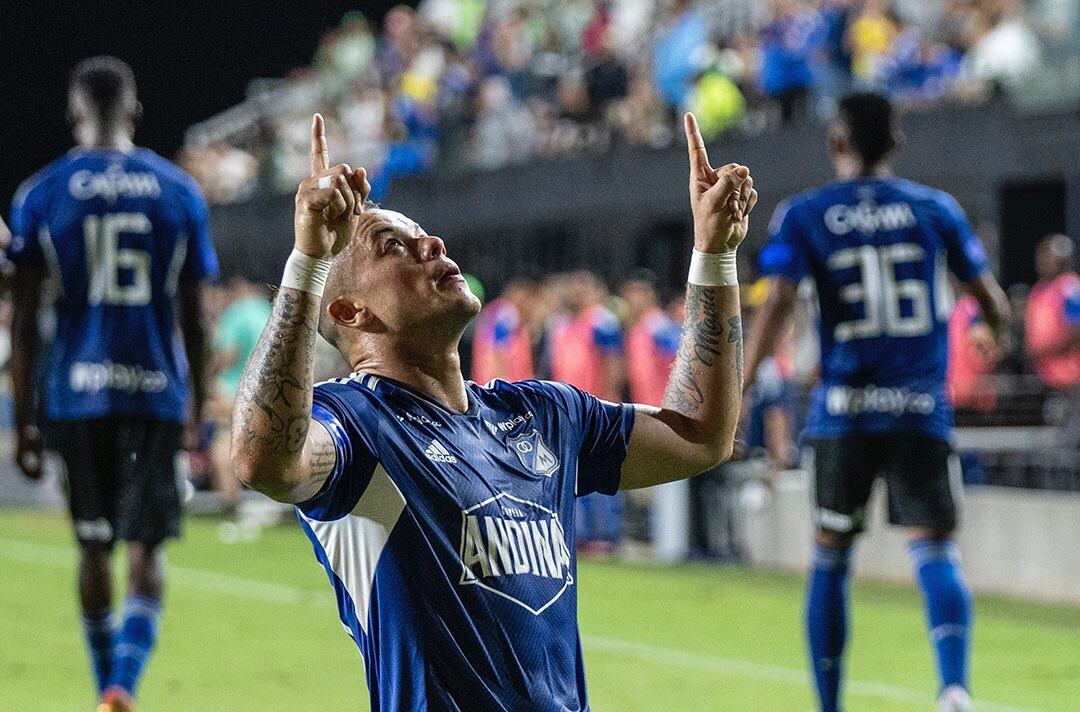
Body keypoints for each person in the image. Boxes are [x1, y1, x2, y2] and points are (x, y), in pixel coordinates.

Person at [230, 112, 755, 711]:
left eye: (423, 234)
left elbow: (699, 435)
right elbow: (261, 459)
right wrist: (308, 262)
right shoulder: (357, 426)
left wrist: (714, 255)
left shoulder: (542, 413)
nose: (431, 245)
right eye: (392, 247)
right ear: (351, 313)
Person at [742, 92, 1009, 712]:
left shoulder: (805, 214)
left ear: (836, 142)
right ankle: (954, 688)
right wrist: (994, 333)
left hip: (843, 411)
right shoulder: (934, 209)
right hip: (920, 407)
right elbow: (990, 299)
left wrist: (745, 383)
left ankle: (830, 705)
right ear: (895, 144)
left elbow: (778, 303)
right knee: (936, 547)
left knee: (831, 556)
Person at [8, 56, 218, 712]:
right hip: (154, 392)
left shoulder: (41, 194)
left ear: (75, 116)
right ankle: (124, 685)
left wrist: (24, 416)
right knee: (147, 549)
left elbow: (24, 328)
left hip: (76, 393)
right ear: (133, 113)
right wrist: (196, 407)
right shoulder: (179, 191)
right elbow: (195, 320)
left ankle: (106, 688)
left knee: (93, 544)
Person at [549, 270, 626, 552]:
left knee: (600, 468)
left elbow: (614, 364)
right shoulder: (562, 324)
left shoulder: (601, 321)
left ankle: (606, 534)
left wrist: (609, 402)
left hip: (596, 408)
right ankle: (578, 535)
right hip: (567, 410)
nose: (575, 291)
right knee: (571, 472)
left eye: (581, 285)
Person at [209, 277, 272, 508]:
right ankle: (269, 505)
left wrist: (208, 375)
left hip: (234, 391)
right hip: (267, 393)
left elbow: (229, 354)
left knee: (223, 446)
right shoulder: (268, 311)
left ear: (239, 286)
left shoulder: (237, 312)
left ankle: (232, 504)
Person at [471, 272, 541, 384]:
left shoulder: (506, 317)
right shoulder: (504, 315)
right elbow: (497, 353)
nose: (532, 307)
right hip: (500, 387)